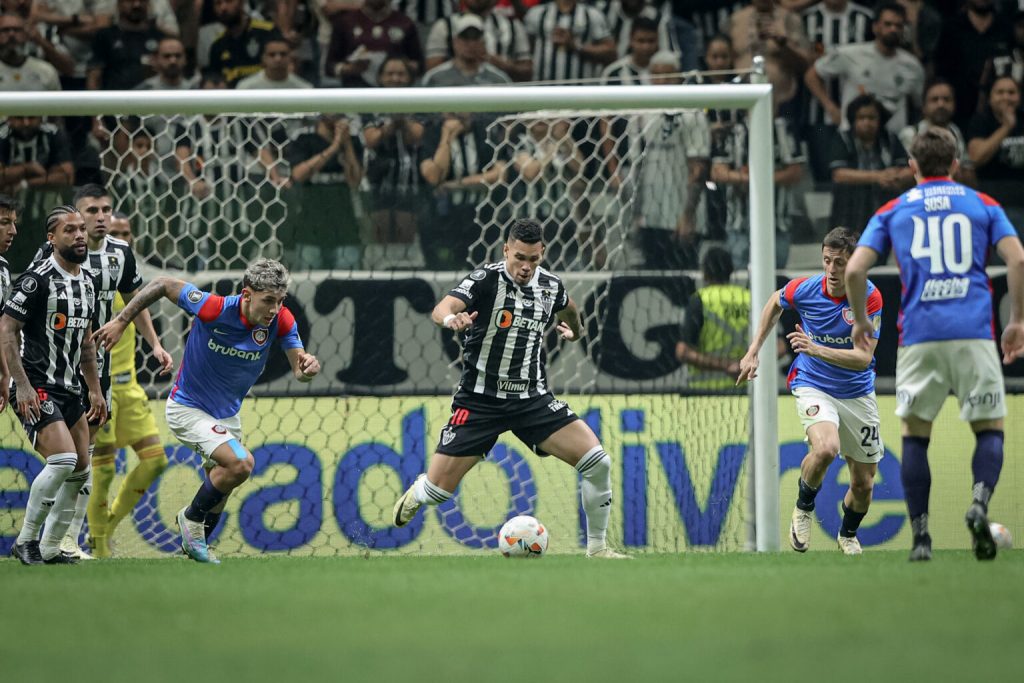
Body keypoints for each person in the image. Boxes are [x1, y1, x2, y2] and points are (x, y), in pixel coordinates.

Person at [391, 218, 628, 559]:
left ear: (542, 254)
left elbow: (570, 309)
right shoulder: (487, 279)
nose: (526, 267)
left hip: (530, 399)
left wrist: (574, 332)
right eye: (519, 257)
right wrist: (449, 320)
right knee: (439, 491)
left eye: (533, 259)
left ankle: (598, 549)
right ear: (506, 251)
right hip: (480, 401)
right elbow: (443, 307)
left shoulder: (550, 286)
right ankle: (419, 490)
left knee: (598, 462)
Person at [845, 127, 1024, 561]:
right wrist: (1017, 319)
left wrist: (862, 322)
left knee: (915, 437)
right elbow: (1017, 257)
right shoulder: (982, 204)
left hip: (920, 336)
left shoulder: (893, 210)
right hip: (974, 332)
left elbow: (853, 271)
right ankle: (979, 503)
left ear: (912, 166)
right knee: (988, 428)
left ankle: (921, 538)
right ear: (957, 164)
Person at [94, 258, 321, 563]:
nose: (274, 309)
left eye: (280, 301)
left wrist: (309, 367)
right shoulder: (215, 308)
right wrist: (122, 320)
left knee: (223, 483)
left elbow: (299, 369)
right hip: (187, 408)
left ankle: (194, 552)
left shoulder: (281, 321)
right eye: (268, 300)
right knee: (241, 464)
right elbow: (162, 284)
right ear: (246, 295)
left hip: (226, 415)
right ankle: (189, 518)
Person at [33, 185, 173, 559]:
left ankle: (68, 540)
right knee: (70, 462)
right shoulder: (51, 255)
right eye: (91, 210)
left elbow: (135, 299)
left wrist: (155, 343)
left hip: (99, 374)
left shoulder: (120, 254)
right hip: (58, 372)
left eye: (106, 209)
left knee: (84, 460)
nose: (99, 217)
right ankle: (45, 538)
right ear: (75, 217)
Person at [739, 227, 884, 555]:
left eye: (840, 263)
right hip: (813, 384)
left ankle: (847, 534)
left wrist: (816, 348)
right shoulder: (807, 289)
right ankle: (803, 509)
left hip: (857, 392)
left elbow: (863, 359)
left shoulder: (869, 297)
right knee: (826, 449)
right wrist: (753, 350)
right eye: (827, 261)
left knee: (863, 484)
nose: (832, 270)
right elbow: (775, 301)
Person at [1, 205, 106, 564]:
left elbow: (88, 341)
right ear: (51, 238)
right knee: (62, 459)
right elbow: (6, 330)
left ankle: (51, 545)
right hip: (36, 384)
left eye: (81, 229)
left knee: (80, 468)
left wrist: (95, 388)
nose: (80, 235)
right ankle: (26, 541)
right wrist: (22, 385)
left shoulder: (88, 281)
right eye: (69, 230)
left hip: (71, 387)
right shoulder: (36, 279)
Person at [87, 212, 170, 557]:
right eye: (116, 232)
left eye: (126, 233)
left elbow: (139, 309)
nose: (122, 238)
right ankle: (98, 543)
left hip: (130, 385)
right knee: (103, 469)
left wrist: (155, 344)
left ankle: (107, 525)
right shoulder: (89, 275)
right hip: (100, 384)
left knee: (155, 461)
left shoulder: (127, 277)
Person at [805, 1, 925, 135]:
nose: (893, 29)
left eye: (898, 25)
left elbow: (919, 106)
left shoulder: (913, 66)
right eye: (888, 24)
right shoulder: (851, 54)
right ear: (875, 27)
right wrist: (830, 107)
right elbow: (811, 75)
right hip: (852, 135)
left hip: (894, 139)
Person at [828, 94, 913, 233]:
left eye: (872, 118)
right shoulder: (843, 138)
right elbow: (839, 174)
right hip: (849, 212)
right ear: (853, 120)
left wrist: (896, 177)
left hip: (884, 209)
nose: (866, 122)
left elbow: (908, 170)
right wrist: (878, 176)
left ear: (880, 120)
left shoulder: (890, 139)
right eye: (861, 118)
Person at [676, 247, 749, 390]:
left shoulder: (701, 299)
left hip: (704, 392)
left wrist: (726, 366)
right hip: (745, 390)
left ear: (704, 273)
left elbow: (683, 351)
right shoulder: (749, 298)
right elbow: (778, 345)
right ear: (731, 271)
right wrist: (744, 365)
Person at [0, 193, 16, 415]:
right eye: (4, 223)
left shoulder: (2, 269)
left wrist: (5, 374)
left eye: (13, 223)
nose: (13, 231)